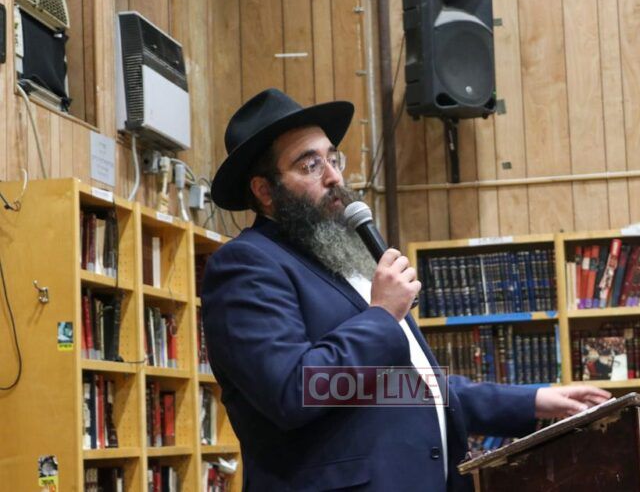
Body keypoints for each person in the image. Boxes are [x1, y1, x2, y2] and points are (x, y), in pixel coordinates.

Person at [203, 88, 610, 491]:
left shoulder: (333, 258)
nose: (334, 177)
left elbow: (408, 389)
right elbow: (293, 390)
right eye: (310, 165)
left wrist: (534, 401)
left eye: (333, 158)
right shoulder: (246, 265)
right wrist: (382, 315)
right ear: (265, 191)